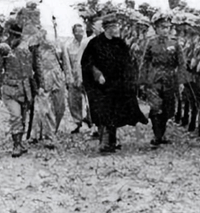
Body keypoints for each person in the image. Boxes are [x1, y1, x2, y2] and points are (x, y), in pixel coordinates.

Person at [81, 13, 148, 153]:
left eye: (117, 26)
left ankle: (111, 141)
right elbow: (87, 63)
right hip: (100, 86)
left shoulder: (120, 44)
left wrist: (129, 81)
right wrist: (97, 74)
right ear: (106, 28)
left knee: (114, 113)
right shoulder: (95, 43)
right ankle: (104, 143)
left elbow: (127, 64)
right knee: (103, 113)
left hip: (116, 86)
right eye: (113, 27)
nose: (116, 29)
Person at [139, 10, 186, 146]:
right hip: (154, 79)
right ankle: (157, 134)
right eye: (162, 27)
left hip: (170, 79)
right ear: (156, 28)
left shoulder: (175, 43)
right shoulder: (151, 43)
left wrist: (181, 81)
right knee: (155, 107)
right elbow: (144, 62)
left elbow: (181, 64)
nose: (165, 30)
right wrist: (142, 81)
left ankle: (162, 132)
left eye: (167, 27)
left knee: (167, 108)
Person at [0, 21, 35, 157]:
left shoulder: (26, 48)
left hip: (25, 88)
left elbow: (32, 69)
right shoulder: (3, 47)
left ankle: (21, 141)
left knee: (23, 117)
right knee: (16, 116)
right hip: (10, 87)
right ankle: (16, 145)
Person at [62, 23, 88, 133]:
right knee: (74, 101)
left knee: (90, 101)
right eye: (78, 31)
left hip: (87, 77)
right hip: (74, 76)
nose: (80, 33)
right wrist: (70, 78)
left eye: (82, 31)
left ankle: (91, 122)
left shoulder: (88, 44)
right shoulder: (68, 46)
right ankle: (77, 122)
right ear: (73, 32)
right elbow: (67, 64)